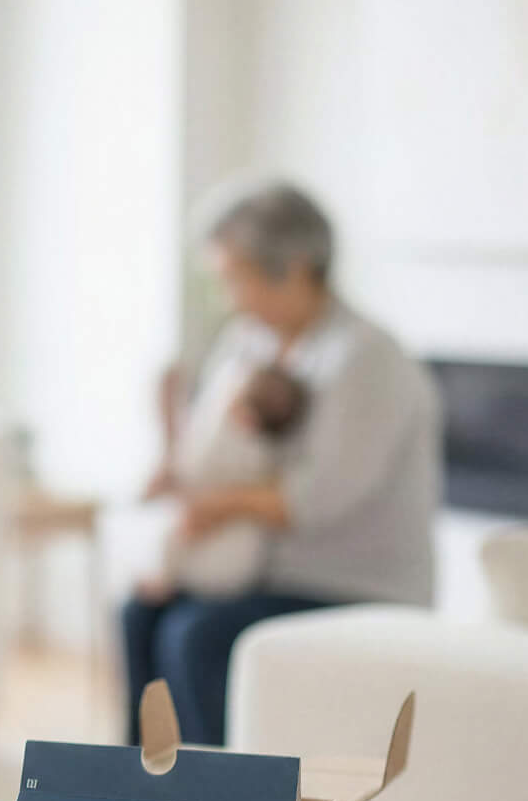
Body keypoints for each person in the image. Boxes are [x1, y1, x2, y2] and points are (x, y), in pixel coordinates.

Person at [122, 181, 439, 747]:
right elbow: (214, 445)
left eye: (234, 278)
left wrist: (212, 507)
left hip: (348, 586)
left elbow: (312, 499)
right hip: (264, 572)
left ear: (293, 268)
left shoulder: (367, 359)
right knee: (138, 613)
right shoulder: (250, 343)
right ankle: (141, 793)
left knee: (197, 635)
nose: (229, 298)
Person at [136, 365, 312, 601]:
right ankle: (170, 580)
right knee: (137, 608)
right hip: (222, 544)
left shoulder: (235, 445)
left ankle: (169, 580)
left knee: (175, 543)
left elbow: (193, 471)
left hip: (222, 549)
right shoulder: (264, 453)